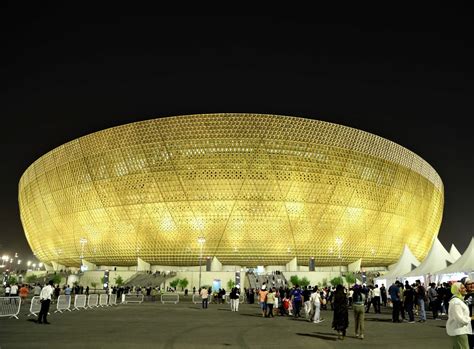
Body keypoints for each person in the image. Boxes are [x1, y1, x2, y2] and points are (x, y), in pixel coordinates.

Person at [446, 282, 474, 348]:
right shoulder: (456, 302)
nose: (465, 289)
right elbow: (459, 319)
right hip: (459, 331)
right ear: (458, 290)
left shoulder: (459, 300)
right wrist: (471, 318)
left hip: (460, 331)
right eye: (463, 288)